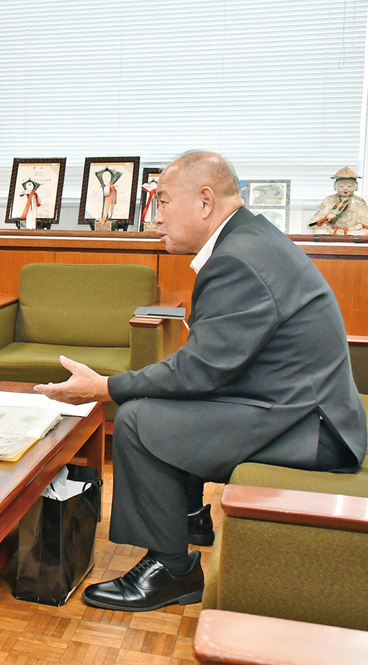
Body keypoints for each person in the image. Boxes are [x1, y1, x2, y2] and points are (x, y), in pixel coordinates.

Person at [35, 150, 367, 612]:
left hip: (310, 427)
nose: (155, 218)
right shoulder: (247, 240)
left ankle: (172, 570)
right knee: (164, 405)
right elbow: (214, 365)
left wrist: (105, 388)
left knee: (135, 420)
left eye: (163, 202)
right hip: (297, 404)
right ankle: (189, 520)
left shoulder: (238, 259)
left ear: (205, 201)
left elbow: (199, 371)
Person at [307, 167, 368, 235]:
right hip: (331, 229)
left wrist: (360, 224)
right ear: (335, 185)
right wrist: (326, 217)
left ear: (356, 186)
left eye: (349, 186)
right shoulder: (329, 200)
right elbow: (319, 216)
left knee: (361, 233)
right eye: (341, 186)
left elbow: (365, 218)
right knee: (320, 231)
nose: (345, 189)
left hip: (351, 230)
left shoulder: (359, 201)